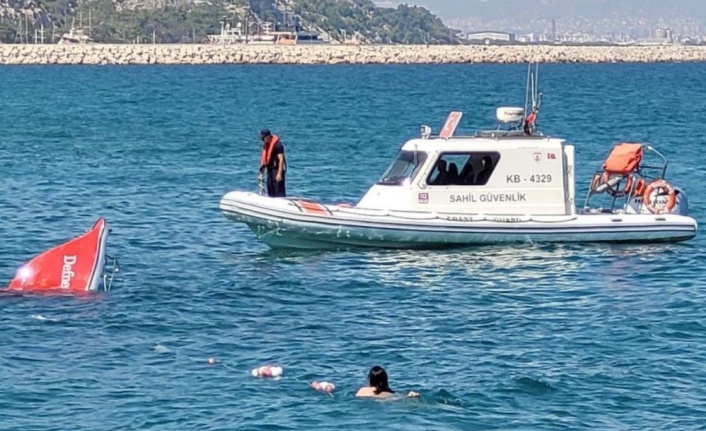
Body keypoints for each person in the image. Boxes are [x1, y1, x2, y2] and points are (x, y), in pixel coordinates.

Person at [355, 365, 419, 399]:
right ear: (385, 379)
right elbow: (399, 398)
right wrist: (409, 396)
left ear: (370, 378)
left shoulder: (362, 390)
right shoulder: (386, 394)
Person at [258, 129, 286, 197]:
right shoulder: (266, 145)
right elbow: (263, 160)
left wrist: (279, 174)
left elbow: (281, 160)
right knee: (270, 189)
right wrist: (261, 173)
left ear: (268, 137)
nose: (262, 140)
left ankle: (281, 201)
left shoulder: (278, 145)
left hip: (277, 170)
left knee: (278, 190)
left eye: (263, 138)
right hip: (270, 170)